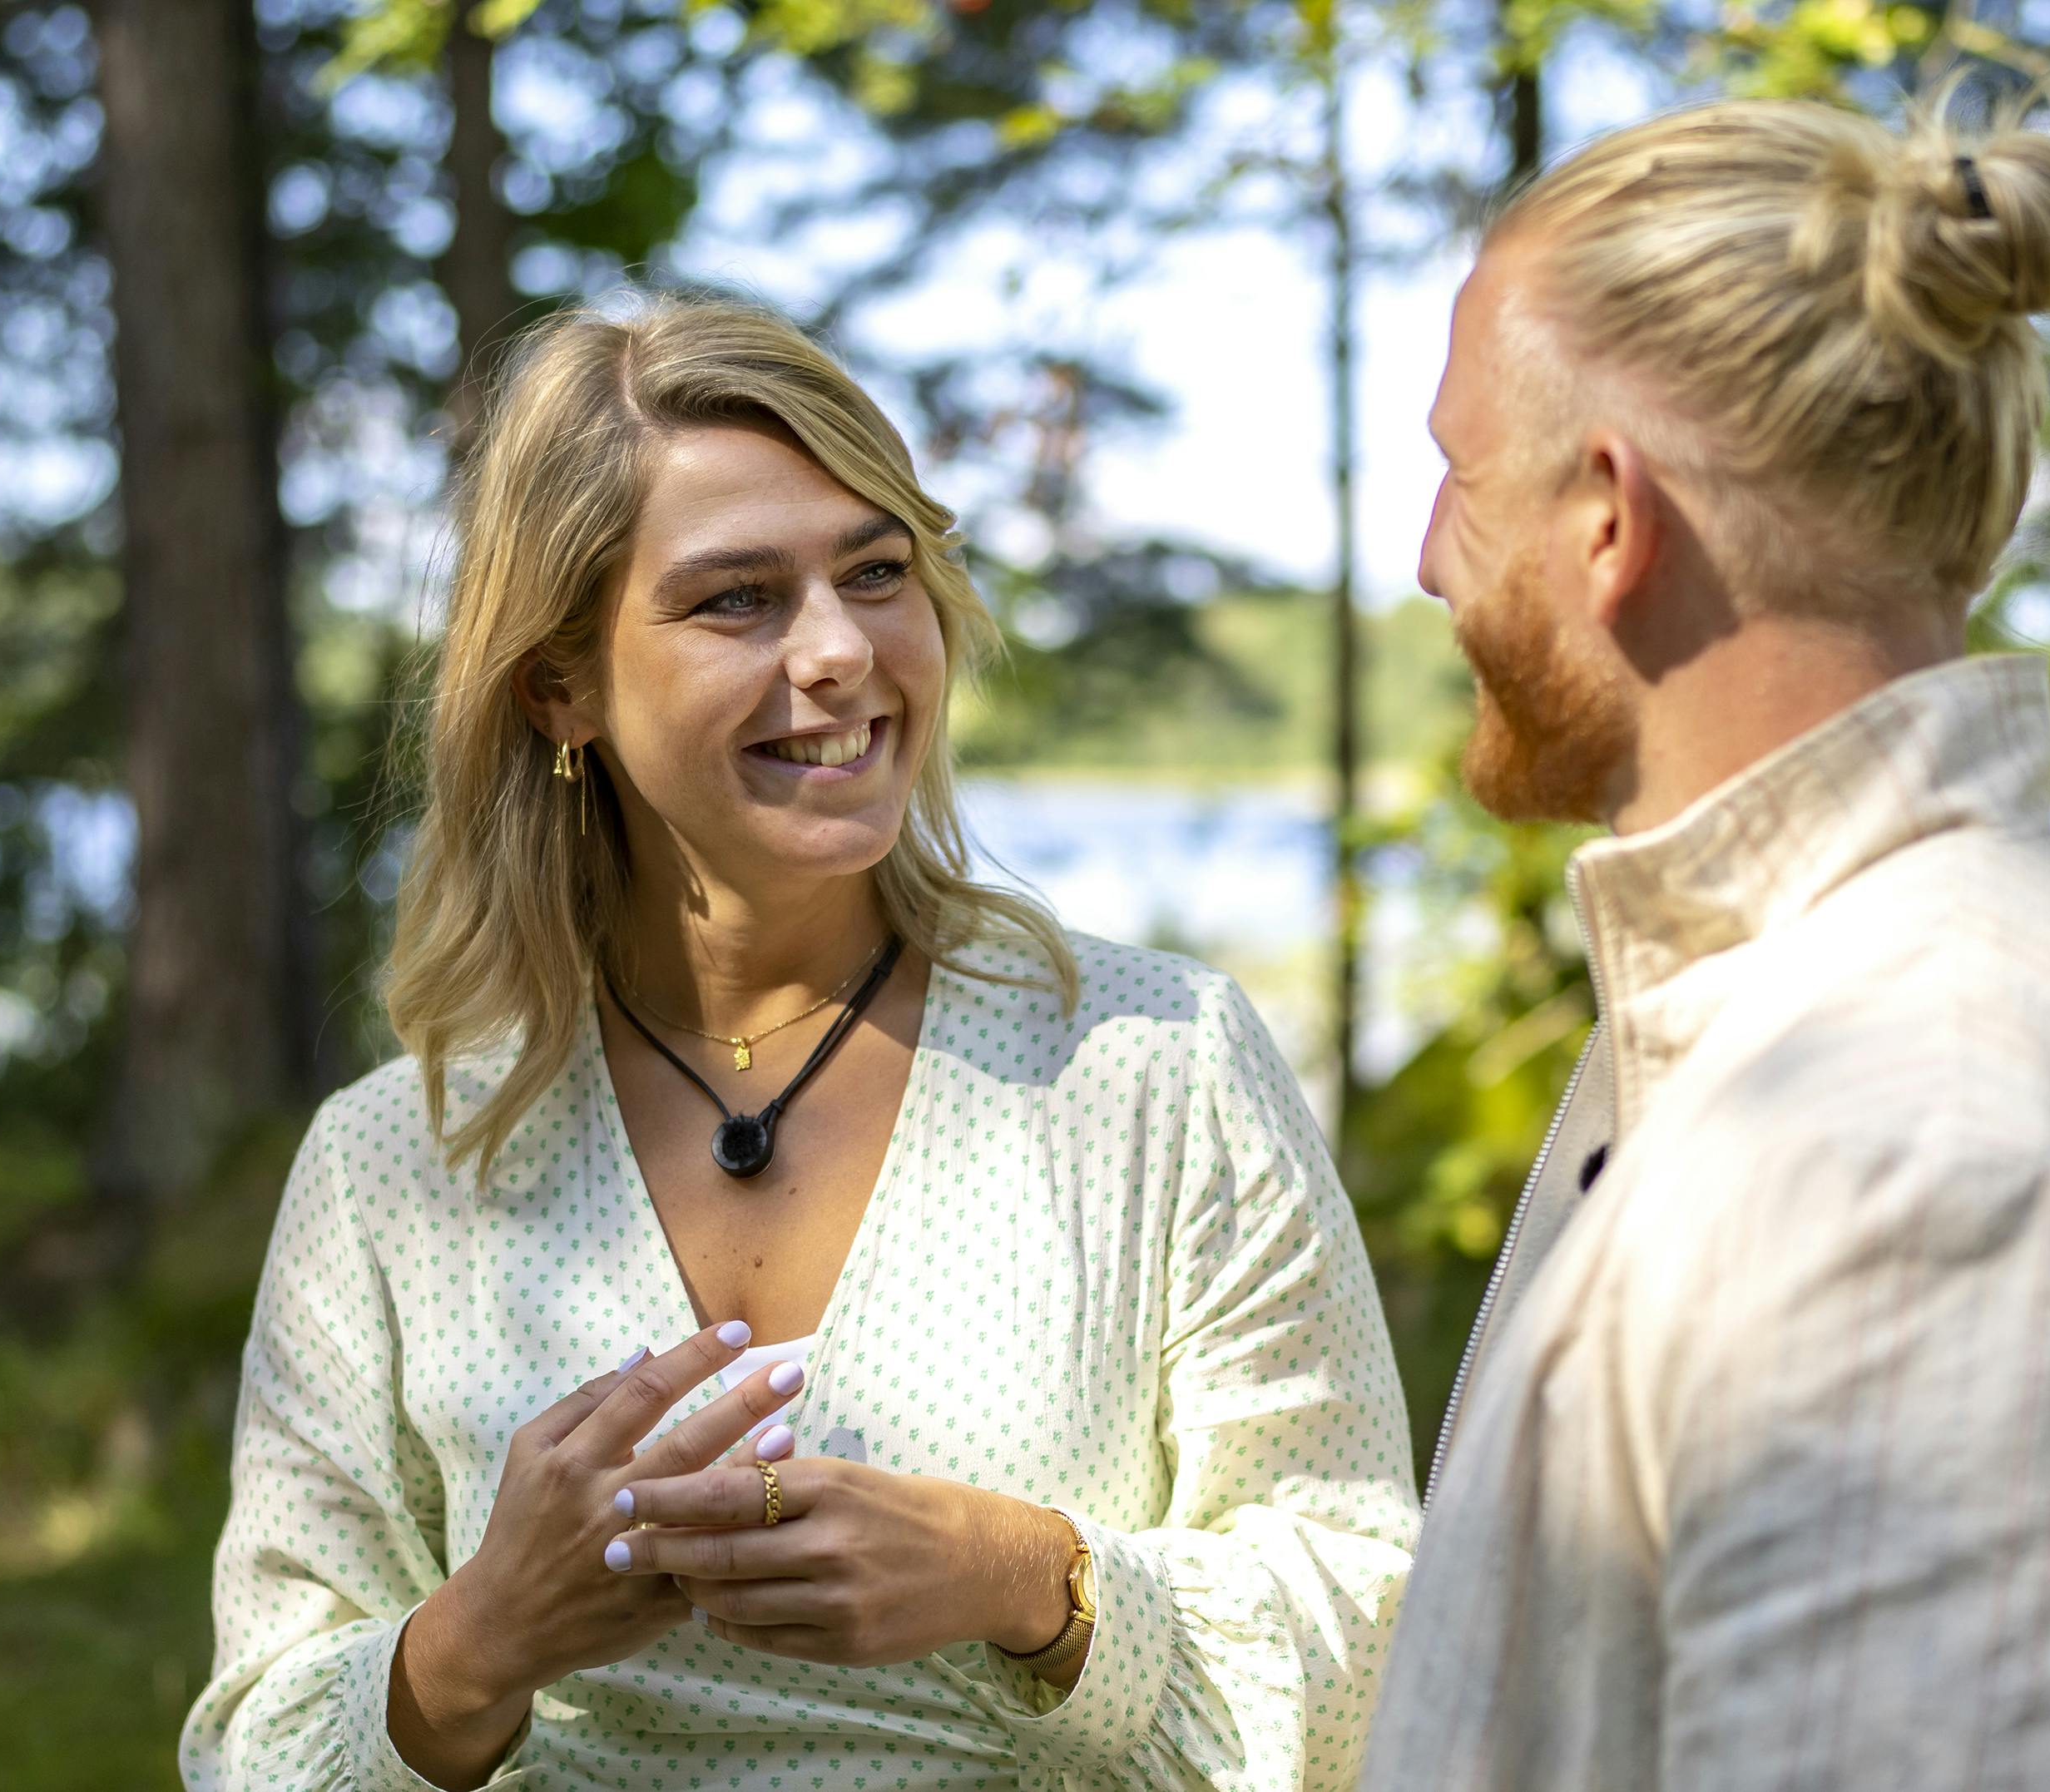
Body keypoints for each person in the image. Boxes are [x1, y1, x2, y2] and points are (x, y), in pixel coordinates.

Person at [180, 290, 1419, 1792]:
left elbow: (1378, 1636)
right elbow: (258, 1748)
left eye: (876, 571)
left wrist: (1032, 1580)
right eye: (737, 598)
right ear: (558, 684)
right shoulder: (392, 1168)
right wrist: (480, 1637)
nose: (838, 649)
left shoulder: (1161, 1066)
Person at [1359, 95, 2050, 1792]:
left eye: (1459, 473)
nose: (1429, 557)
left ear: (1609, 514)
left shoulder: (1938, 1152)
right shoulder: (1807, 1008)